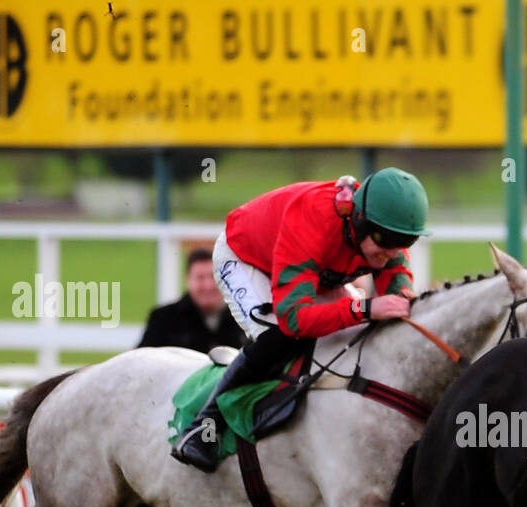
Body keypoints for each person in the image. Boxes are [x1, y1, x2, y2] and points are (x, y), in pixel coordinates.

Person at [171, 167, 429, 471]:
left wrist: (401, 300)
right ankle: (203, 427)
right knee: (281, 335)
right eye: (383, 240)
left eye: (403, 242)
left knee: (360, 329)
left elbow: (397, 293)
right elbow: (295, 318)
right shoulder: (314, 219)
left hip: (308, 268)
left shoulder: (385, 230)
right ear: (359, 220)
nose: (391, 251)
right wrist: (366, 308)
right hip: (248, 259)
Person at [139, 248, 246, 507]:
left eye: (211, 279)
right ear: (188, 281)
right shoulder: (163, 319)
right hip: (172, 440)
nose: (205, 286)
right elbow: (140, 372)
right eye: (198, 279)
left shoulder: (242, 317)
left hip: (231, 447)